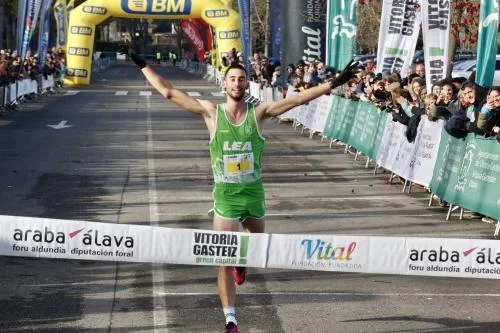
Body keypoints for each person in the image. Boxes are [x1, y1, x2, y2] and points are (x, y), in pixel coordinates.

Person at [120, 48, 358, 333]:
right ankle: (231, 319)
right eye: (232, 79)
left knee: (254, 246)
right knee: (223, 258)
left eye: (241, 79)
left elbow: (296, 100)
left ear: (247, 84)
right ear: (224, 84)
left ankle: (242, 262)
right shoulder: (210, 112)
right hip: (226, 196)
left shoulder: (259, 113)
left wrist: (332, 84)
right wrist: (142, 63)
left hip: (253, 194)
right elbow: (169, 92)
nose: (236, 83)